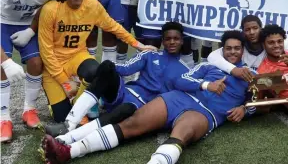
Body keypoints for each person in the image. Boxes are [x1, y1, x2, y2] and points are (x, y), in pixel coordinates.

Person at [41, 30, 254, 164]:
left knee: (182, 134)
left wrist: (245, 109)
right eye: (228, 48)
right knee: (130, 124)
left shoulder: (251, 76)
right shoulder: (208, 65)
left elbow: (261, 102)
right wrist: (206, 85)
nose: (232, 52)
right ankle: (69, 151)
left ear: (243, 51)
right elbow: (181, 81)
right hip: (177, 98)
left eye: (237, 49)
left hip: (206, 113)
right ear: (222, 50)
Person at [38, 0, 152, 123]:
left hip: (77, 56)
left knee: (94, 71)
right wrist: (65, 81)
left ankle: (79, 99)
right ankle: (67, 98)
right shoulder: (51, 9)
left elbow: (113, 26)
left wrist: (138, 44)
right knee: (61, 117)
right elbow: (45, 51)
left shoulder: (93, 5)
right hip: (53, 63)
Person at [44, 22, 188, 144]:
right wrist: (106, 67)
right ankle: (69, 124)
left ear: (182, 40)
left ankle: (70, 137)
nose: (172, 42)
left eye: (176, 39)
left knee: (126, 109)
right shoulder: (149, 54)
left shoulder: (186, 71)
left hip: (142, 108)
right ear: (162, 41)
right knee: (106, 66)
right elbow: (125, 69)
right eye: (168, 39)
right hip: (124, 93)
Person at [0, 0, 61, 142]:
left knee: (36, 63)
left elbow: (45, 8)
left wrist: (31, 30)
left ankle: (29, 110)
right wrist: (6, 62)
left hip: (26, 24)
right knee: (1, 67)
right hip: (2, 22)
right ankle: (3, 119)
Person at [207, 15, 288, 79]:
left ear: (261, 29)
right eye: (247, 30)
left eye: (255, 28)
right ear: (243, 32)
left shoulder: (272, 43)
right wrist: (234, 70)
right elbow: (212, 56)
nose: (252, 32)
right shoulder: (239, 47)